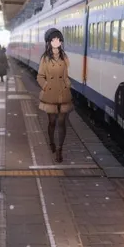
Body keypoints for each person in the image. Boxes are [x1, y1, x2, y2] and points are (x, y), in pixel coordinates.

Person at [37, 28, 73, 163]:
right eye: (53, 40)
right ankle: (51, 142)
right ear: (49, 42)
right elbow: (40, 76)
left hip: (63, 93)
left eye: (58, 40)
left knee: (62, 122)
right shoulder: (45, 59)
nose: (56, 42)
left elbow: (66, 75)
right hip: (50, 94)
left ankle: (59, 149)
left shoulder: (65, 58)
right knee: (52, 122)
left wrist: (67, 84)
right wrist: (46, 87)